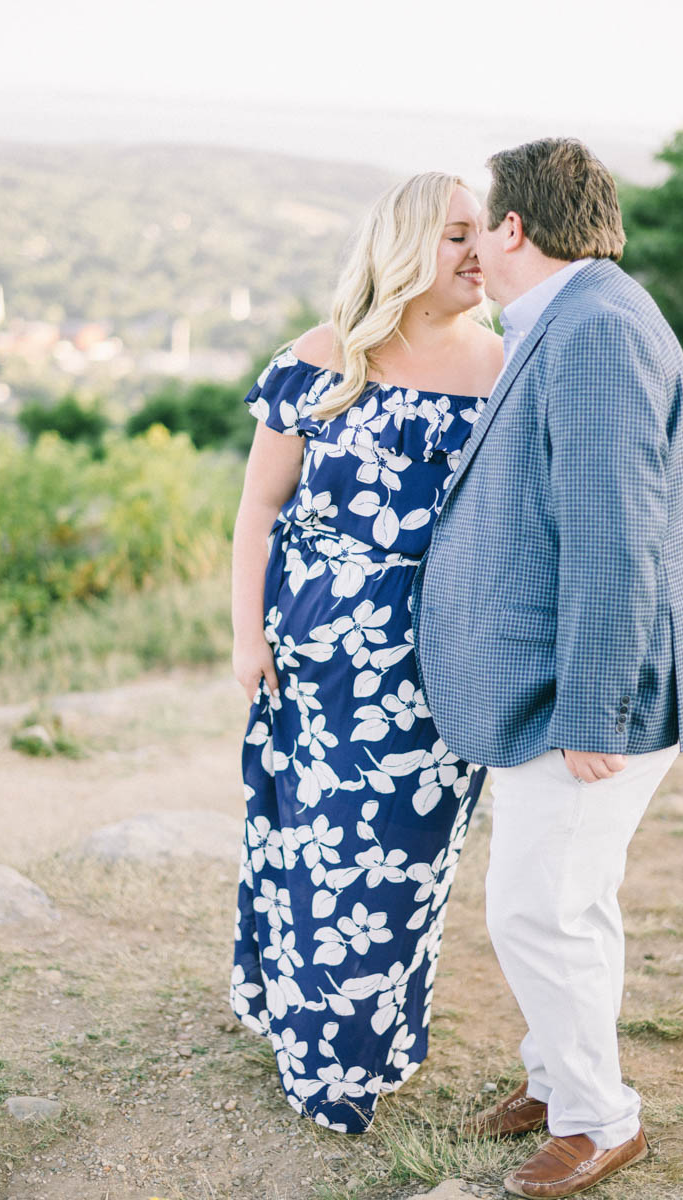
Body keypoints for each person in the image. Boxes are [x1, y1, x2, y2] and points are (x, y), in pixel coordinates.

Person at [412, 139, 683, 1197]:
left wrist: (595, 708)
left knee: (538, 910)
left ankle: (598, 1121)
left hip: (589, 700)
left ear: (511, 229)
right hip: (567, 688)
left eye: (477, 225)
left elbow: (613, 538)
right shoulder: (578, 314)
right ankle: (553, 1077)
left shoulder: (590, 333)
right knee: (565, 899)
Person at [230, 172, 503, 1132]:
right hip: (318, 646)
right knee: (325, 850)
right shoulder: (322, 356)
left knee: (411, 862)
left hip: (442, 652)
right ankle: (324, 1062)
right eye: (458, 236)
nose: (482, 253)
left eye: (485, 235)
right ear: (408, 247)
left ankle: (377, 1035)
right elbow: (260, 508)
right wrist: (246, 634)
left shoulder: (500, 363)